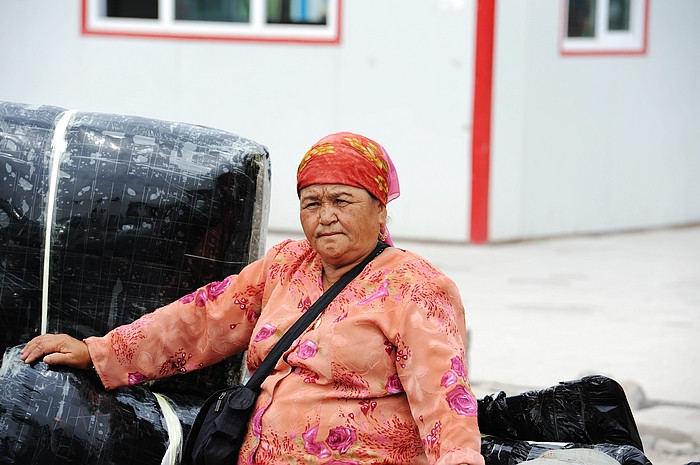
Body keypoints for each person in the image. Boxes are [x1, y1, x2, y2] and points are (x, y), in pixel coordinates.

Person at [20, 132, 484, 465]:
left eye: (341, 201)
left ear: (380, 207)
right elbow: (202, 319)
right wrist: (99, 352)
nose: (324, 217)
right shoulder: (286, 264)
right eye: (311, 203)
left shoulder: (416, 287)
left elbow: (445, 400)